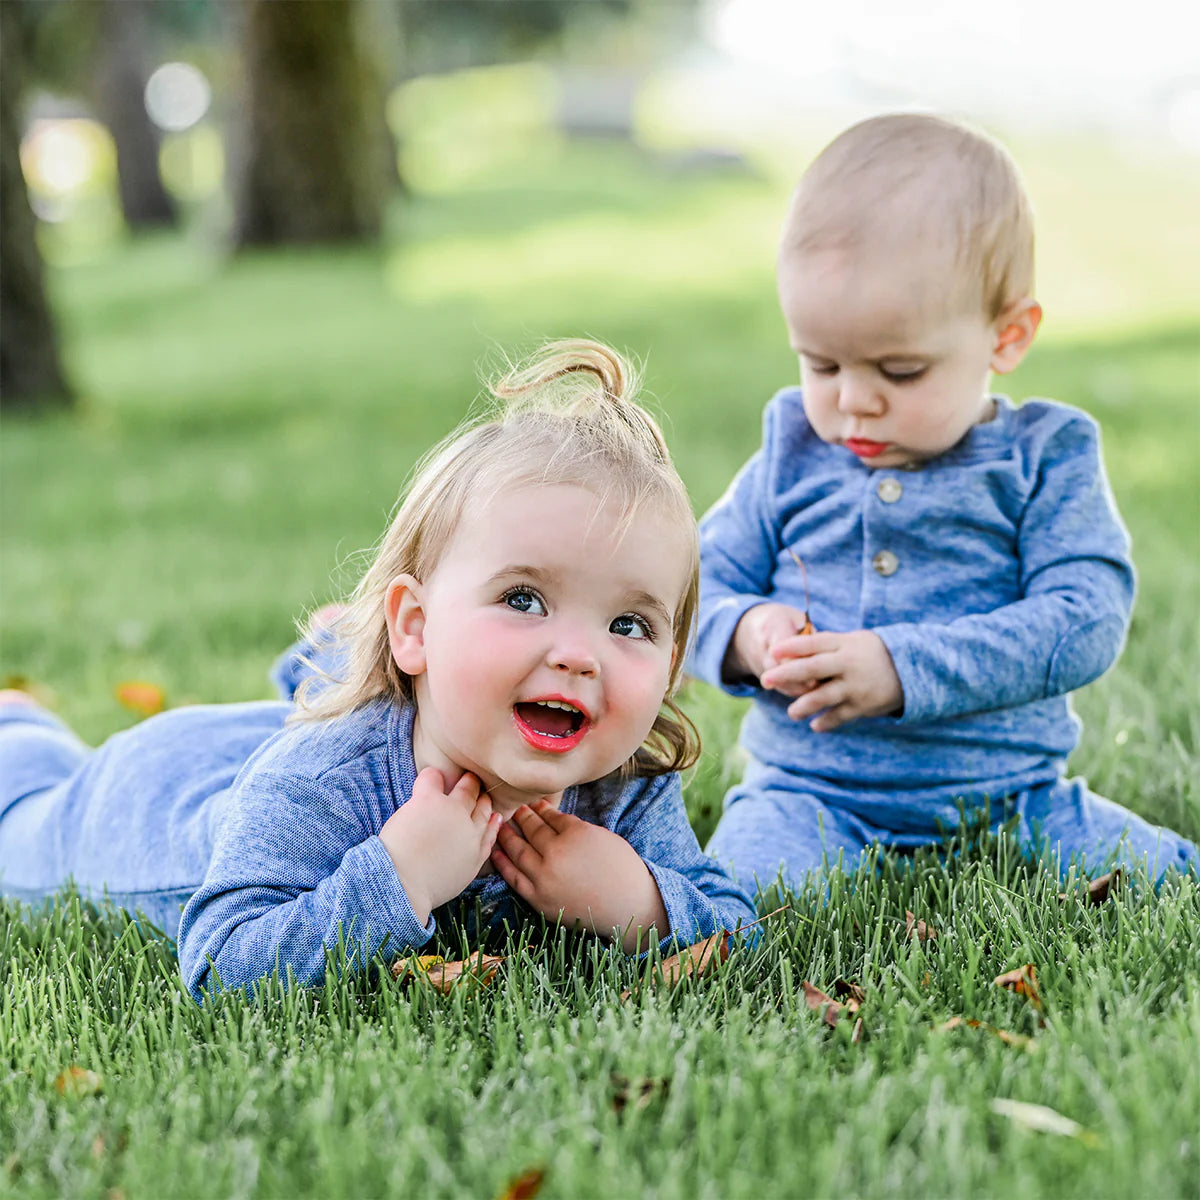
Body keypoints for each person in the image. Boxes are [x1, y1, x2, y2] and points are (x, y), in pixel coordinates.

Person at [0, 339, 756, 1000]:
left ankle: (327, 661)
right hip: (151, 800)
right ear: (417, 628)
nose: (578, 654)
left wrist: (641, 904)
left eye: (630, 624)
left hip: (305, 738)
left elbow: (737, 931)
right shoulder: (323, 781)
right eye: (524, 600)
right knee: (23, 815)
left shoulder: (625, 784)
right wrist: (401, 878)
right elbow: (223, 967)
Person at [689, 113, 1197, 895]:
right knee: (745, 900)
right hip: (809, 795)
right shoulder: (791, 449)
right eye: (822, 363)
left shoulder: (1042, 460)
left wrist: (904, 670)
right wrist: (747, 635)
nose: (855, 403)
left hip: (1014, 798)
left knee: (1164, 884)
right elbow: (687, 593)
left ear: (1008, 335)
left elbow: (1086, 618)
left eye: (900, 371)